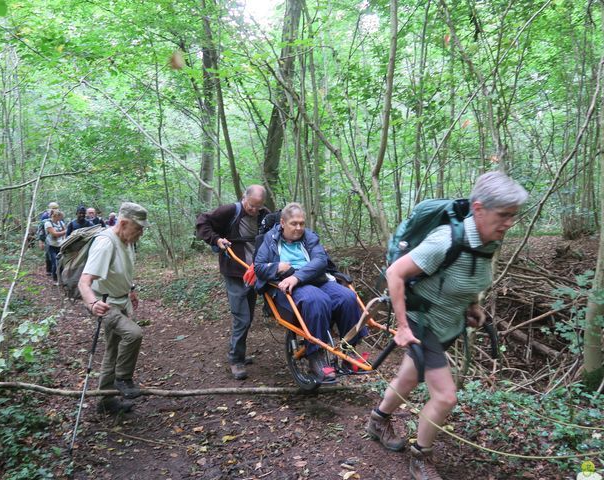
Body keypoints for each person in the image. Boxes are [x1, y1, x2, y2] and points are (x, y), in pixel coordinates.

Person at [366, 171, 528, 480]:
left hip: (448, 323)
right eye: (504, 215)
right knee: (445, 396)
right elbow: (395, 274)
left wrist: (473, 305)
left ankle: (378, 420)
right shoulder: (444, 240)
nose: (509, 222)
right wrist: (402, 327)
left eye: (513, 216)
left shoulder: (487, 241)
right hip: (422, 323)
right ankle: (421, 456)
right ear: (479, 209)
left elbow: (467, 277)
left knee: (409, 377)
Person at [253, 202, 366, 382]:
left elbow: (320, 261)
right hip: (287, 286)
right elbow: (258, 267)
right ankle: (316, 357)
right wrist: (277, 267)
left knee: (348, 297)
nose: (299, 228)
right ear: (283, 223)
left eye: (302, 223)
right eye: (294, 223)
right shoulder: (270, 238)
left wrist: (297, 277)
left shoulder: (310, 237)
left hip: (315, 278)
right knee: (316, 300)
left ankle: (348, 352)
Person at [78, 202, 149, 414]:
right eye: (138, 228)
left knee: (112, 350)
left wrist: (131, 288)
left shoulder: (126, 240)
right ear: (124, 223)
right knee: (134, 334)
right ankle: (123, 379)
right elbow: (84, 281)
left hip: (121, 300)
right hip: (106, 305)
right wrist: (92, 304)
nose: (141, 233)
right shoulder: (105, 243)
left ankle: (105, 400)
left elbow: (121, 270)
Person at [195, 185, 269, 380]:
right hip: (235, 272)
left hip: (255, 272)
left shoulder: (264, 215)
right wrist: (216, 240)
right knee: (241, 318)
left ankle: (240, 354)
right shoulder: (230, 211)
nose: (254, 210)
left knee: (248, 316)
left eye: (258, 206)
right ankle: (235, 360)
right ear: (244, 198)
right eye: (251, 206)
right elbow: (203, 221)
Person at [44, 209, 66, 285]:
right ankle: (55, 279)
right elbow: (54, 234)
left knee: (61, 261)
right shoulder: (48, 223)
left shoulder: (61, 222)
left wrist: (64, 238)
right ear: (56, 216)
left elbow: (64, 230)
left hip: (60, 245)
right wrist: (65, 232)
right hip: (51, 245)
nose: (61, 218)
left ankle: (61, 278)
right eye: (60, 217)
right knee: (55, 262)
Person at [38, 201, 59, 276]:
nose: (54, 210)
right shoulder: (45, 216)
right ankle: (49, 270)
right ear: (49, 208)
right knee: (48, 254)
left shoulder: (59, 215)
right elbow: (41, 228)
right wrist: (41, 240)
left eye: (56, 208)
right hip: (47, 237)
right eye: (53, 208)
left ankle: (57, 270)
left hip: (57, 237)